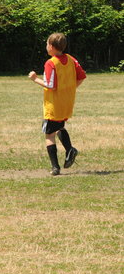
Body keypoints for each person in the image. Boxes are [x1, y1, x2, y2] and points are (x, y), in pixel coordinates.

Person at [28, 32, 86, 176]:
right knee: (59, 127)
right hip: (67, 102)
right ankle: (70, 150)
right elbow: (81, 77)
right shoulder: (71, 59)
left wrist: (35, 79)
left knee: (49, 134)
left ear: (52, 47)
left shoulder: (51, 63)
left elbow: (51, 85)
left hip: (54, 105)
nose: (46, 46)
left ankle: (55, 167)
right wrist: (69, 89)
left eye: (47, 44)